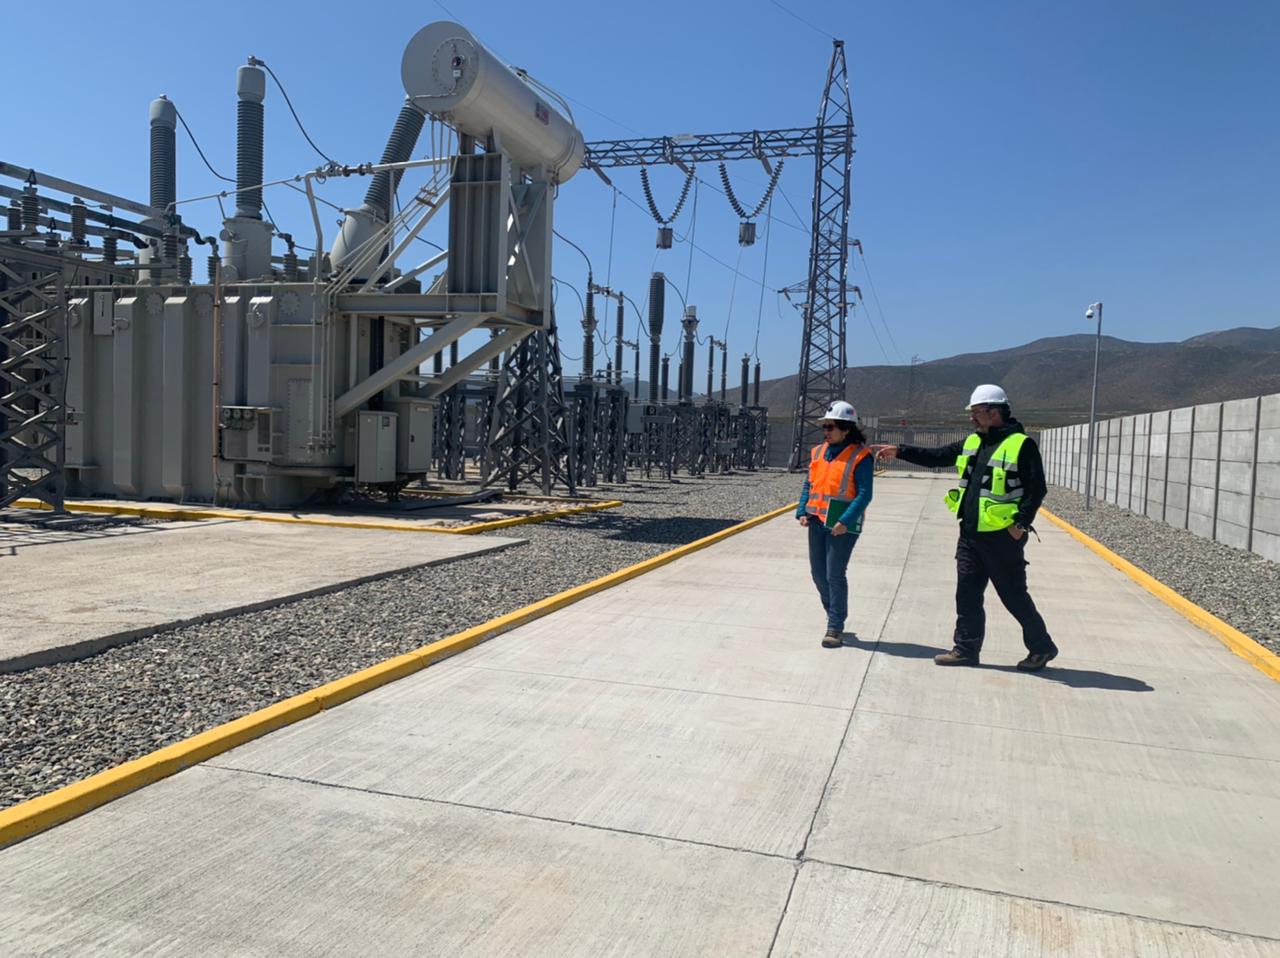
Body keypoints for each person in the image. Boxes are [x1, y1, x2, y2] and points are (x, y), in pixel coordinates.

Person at [874, 384, 1059, 670]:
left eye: (977, 412)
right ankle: (966, 649)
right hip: (970, 534)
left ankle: (1042, 646)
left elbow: (1037, 489)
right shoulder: (973, 442)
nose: (972, 418)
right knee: (967, 593)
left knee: (1013, 595)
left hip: (1002, 538)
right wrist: (900, 451)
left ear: (995, 412)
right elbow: (938, 457)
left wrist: (1020, 525)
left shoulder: (1021, 444)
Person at [796, 401, 875, 648]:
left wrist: (845, 520)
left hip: (843, 526)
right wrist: (801, 510)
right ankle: (833, 614)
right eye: (824, 427)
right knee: (818, 574)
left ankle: (835, 626)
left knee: (834, 574)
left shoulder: (861, 456)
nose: (825, 431)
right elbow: (810, 484)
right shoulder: (819, 452)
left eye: (830, 427)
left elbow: (864, 494)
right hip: (817, 521)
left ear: (846, 429)